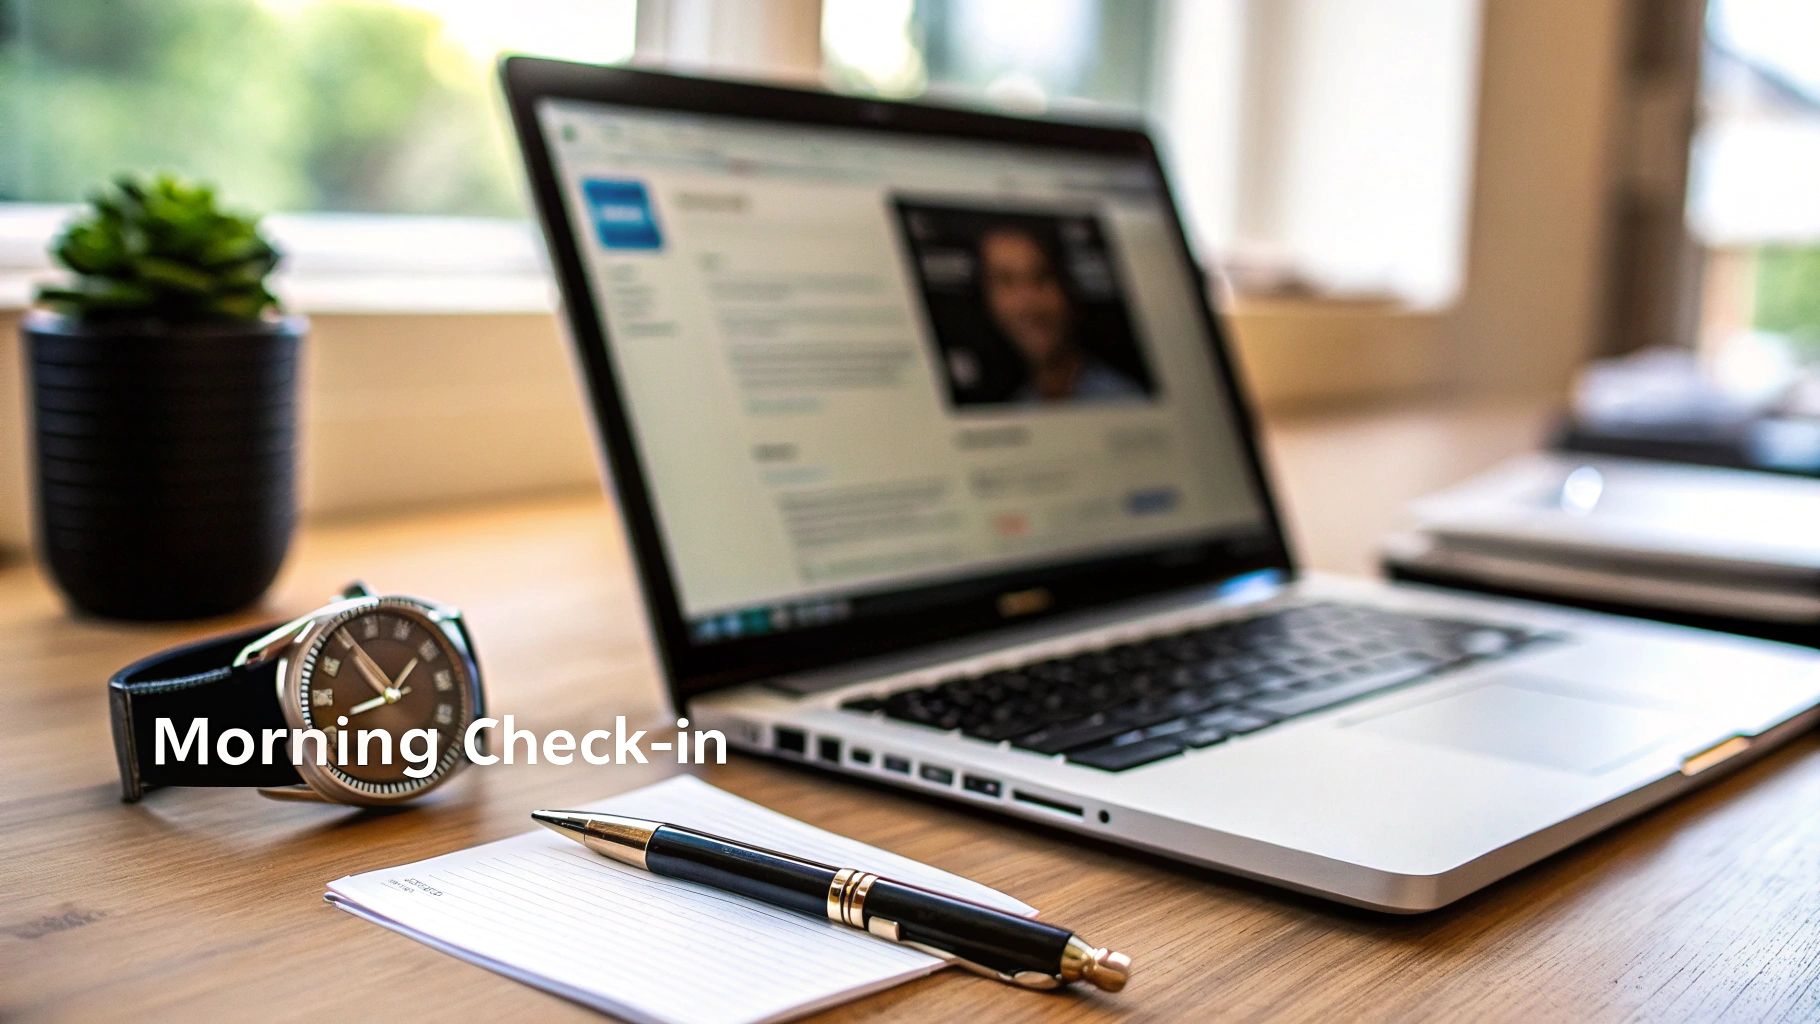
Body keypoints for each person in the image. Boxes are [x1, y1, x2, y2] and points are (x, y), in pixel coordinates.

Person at [975, 225, 1143, 403]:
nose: (1028, 303)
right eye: (1006, 281)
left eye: (1042, 278)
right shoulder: (1018, 406)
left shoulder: (1124, 398)